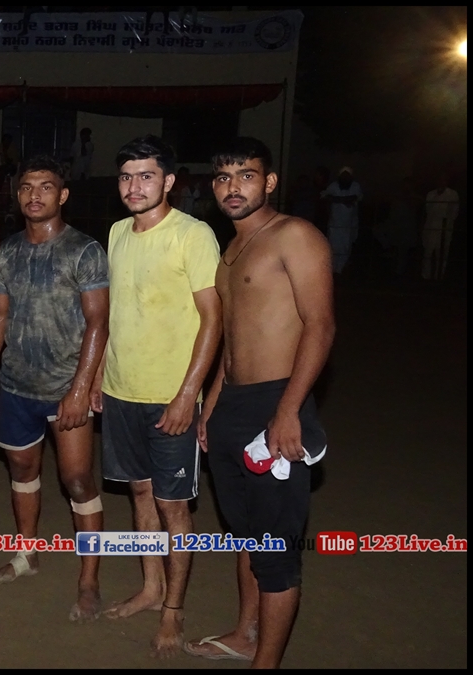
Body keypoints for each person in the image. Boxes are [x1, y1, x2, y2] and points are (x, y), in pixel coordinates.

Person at [184, 137, 334, 668]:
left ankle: (265, 662)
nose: (233, 187)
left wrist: (289, 410)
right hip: (233, 405)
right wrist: (211, 406)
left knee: (276, 550)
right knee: (246, 535)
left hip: (278, 401)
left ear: (268, 182)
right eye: (223, 178)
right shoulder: (229, 253)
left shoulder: (295, 235)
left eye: (246, 176)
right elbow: (234, 340)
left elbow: (320, 325)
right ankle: (245, 634)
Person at [93, 135, 221, 657]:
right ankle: (150, 588)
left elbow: (213, 320)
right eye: (126, 177)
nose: (134, 186)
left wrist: (187, 395)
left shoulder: (193, 235)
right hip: (121, 391)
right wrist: (100, 377)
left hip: (171, 397)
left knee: (174, 505)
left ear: (168, 181)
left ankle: (174, 610)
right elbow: (115, 313)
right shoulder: (117, 232)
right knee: (140, 492)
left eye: (146, 176)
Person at [0, 155, 109, 621]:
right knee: (21, 470)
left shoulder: (84, 250)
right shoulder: (9, 250)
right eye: (27, 187)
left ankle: (89, 579)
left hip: (65, 387)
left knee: (77, 479)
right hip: (16, 386)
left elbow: (98, 323)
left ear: (63, 195)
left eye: (46, 187)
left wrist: (80, 389)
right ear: (18, 195)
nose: (35, 196)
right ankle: (26, 554)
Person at [320, 167, 361, 274]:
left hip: (349, 225)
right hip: (335, 224)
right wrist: (344, 200)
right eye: (343, 175)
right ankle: (333, 271)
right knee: (333, 246)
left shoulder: (355, 186)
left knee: (345, 248)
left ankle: (340, 270)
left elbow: (355, 197)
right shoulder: (334, 186)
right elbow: (324, 196)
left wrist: (336, 199)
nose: (345, 178)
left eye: (347, 176)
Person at [421, 172, 460, 281]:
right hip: (430, 227)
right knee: (428, 253)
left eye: (443, 180)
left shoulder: (452, 194)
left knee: (442, 255)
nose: (441, 182)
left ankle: (439, 276)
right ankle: (426, 276)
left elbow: (454, 213)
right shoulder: (431, 194)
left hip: (444, 228)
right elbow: (428, 210)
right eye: (439, 180)